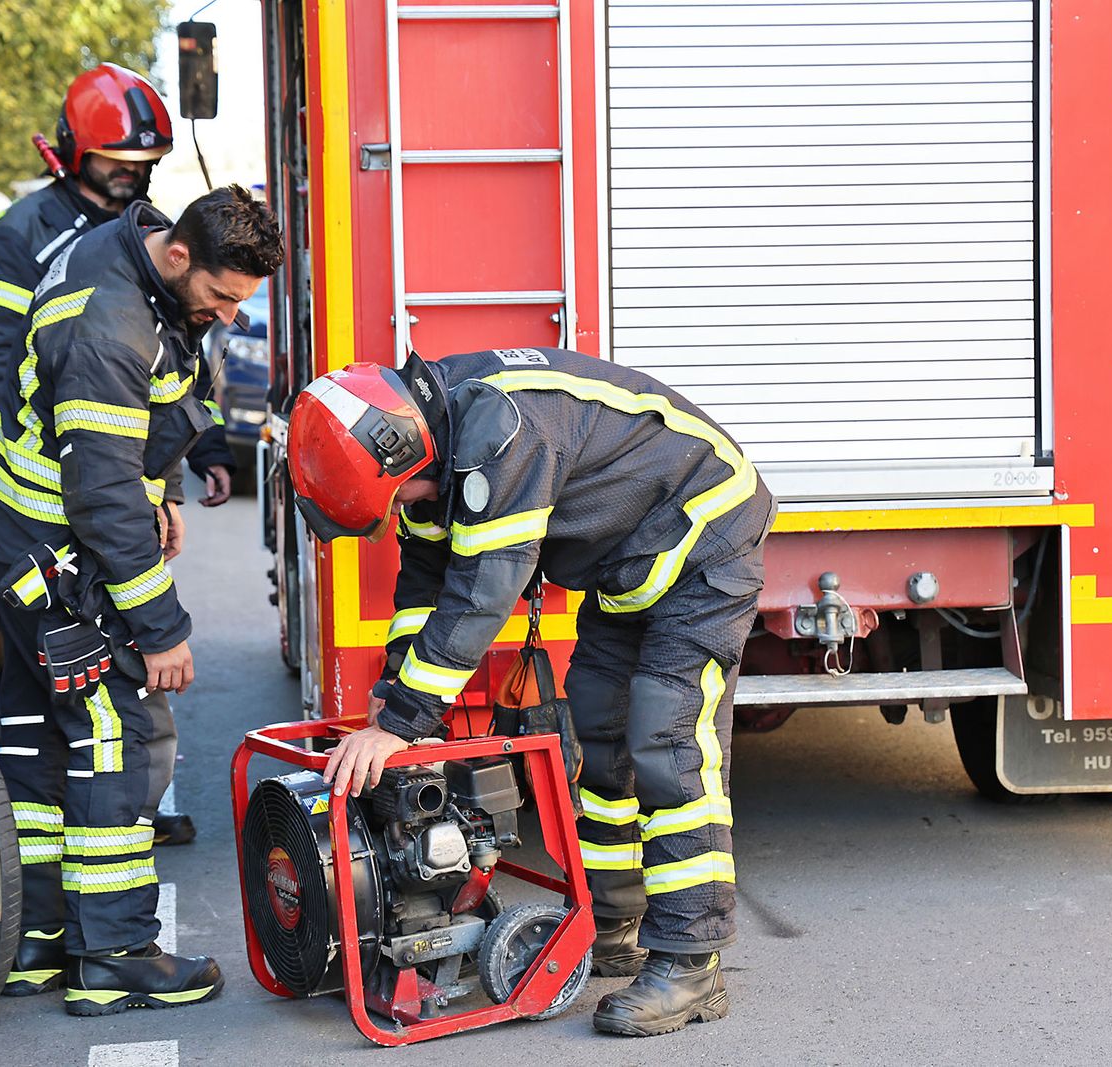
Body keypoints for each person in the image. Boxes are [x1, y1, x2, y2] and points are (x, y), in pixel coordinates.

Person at [287, 347, 774, 1037]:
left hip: (704, 542)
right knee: (601, 738)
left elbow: (484, 591)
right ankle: (612, 921)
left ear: (399, 450)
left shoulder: (503, 434)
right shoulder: (429, 443)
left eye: (401, 496)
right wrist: (398, 687)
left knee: (669, 742)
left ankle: (690, 962)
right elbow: (427, 584)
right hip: (630, 564)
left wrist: (401, 723)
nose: (406, 508)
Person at [0, 185, 282, 1014]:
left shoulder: (140, 258)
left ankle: (35, 944)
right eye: (220, 297)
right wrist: (163, 630)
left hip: (26, 542)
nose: (222, 315)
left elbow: (150, 420)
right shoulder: (107, 324)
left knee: (40, 740)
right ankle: (113, 956)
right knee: (123, 730)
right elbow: (101, 495)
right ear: (180, 256)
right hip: (57, 552)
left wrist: (167, 488)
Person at [0, 64, 221, 855]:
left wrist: (169, 481)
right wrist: (68, 451)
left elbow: (166, 386)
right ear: (72, 148)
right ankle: (94, 917)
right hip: (53, 520)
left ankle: (116, 848)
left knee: (102, 709)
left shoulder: (148, 236)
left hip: (103, 504)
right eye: (117, 159)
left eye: (144, 163)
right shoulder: (24, 233)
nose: (133, 174)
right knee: (96, 712)